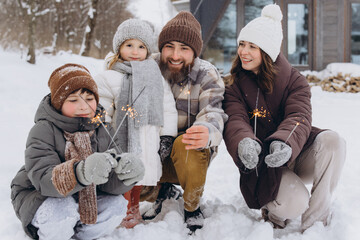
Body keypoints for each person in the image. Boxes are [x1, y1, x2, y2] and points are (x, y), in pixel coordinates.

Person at [223, 4, 346, 232]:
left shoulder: (295, 81)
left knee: (334, 142)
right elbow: (235, 120)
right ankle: (275, 212)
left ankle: (315, 223)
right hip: (262, 163)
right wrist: (244, 142)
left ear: (268, 52)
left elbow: (299, 115)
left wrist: (285, 142)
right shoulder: (234, 84)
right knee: (295, 202)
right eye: (242, 44)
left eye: (252, 46)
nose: (244, 51)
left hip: (294, 151)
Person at [10, 63, 145, 240]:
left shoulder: (103, 128)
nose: (84, 107)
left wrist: (125, 176)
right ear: (59, 103)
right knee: (62, 210)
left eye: (89, 99)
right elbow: (43, 177)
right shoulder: (44, 129)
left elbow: (108, 183)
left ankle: (82, 236)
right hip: (39, 195)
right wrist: (81, 172)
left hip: (86, 196)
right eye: (73, 100)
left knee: (116, 206)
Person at [140, 11, 228, 232]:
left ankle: (191, 206)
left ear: (195, 52)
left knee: (187, 142)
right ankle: (155, 190)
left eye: (184, 48)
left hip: (187, 154)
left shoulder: (207, 74)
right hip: (151, 148)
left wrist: (205, 130)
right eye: (169, 46)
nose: (175, 55)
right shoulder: (148, 66)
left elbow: (213, 111)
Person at [94, 19, 178, 228]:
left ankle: (134, 208)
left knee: (140, 176)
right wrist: (101, 130)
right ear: (119, 47)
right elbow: (101, 107)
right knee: (121, 177)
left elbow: (167, 108)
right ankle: (121, 210)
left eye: (141, 46)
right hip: (120, 137)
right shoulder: (109, 76)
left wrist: (166, 136)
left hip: (147, 137)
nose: (135, 51)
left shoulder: (156, 78)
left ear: (148, 50)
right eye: (129, 45)